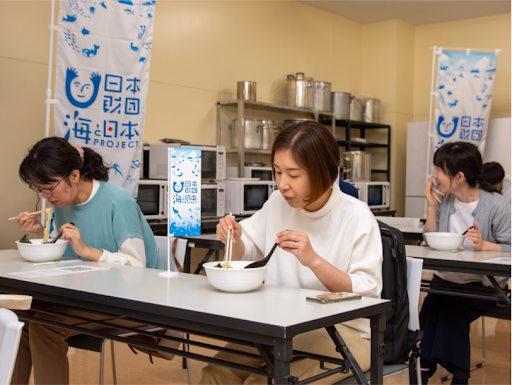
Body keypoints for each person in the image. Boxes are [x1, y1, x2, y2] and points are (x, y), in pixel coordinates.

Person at [200, 121, 383, 384]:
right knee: (216, 373)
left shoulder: (355, 215)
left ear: (323, 171)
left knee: (263, 381)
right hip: (281, 324)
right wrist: (235, 237)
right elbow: (249, 250)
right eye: (277, 172)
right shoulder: (277, 203)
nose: (283, 184)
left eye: (294, 175)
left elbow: (367, 291)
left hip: (345, 331)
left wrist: (314, 260)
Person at [11, 136, 166, 385]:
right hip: (87, 295)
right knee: (20, 321)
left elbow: (137, 267)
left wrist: (88, 251)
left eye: (49, 187)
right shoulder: (62, 201)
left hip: (134, 300)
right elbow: (65, 249)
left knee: (44, 327)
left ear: (74, 175)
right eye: (39, 189)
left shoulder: (118, 201)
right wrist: (42, 230)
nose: (46, 195)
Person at [419, 142, 511, 385]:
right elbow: (432, 237)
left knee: (450, 312)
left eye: (439, 169)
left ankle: (456, 378)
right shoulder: (446, 201)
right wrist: (431, 205)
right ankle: (422, 376)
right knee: (427, 315)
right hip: (446, 280)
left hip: (481, 285)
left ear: (459, 176)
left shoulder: (497, 205)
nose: (434, 175)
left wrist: (485, 246)